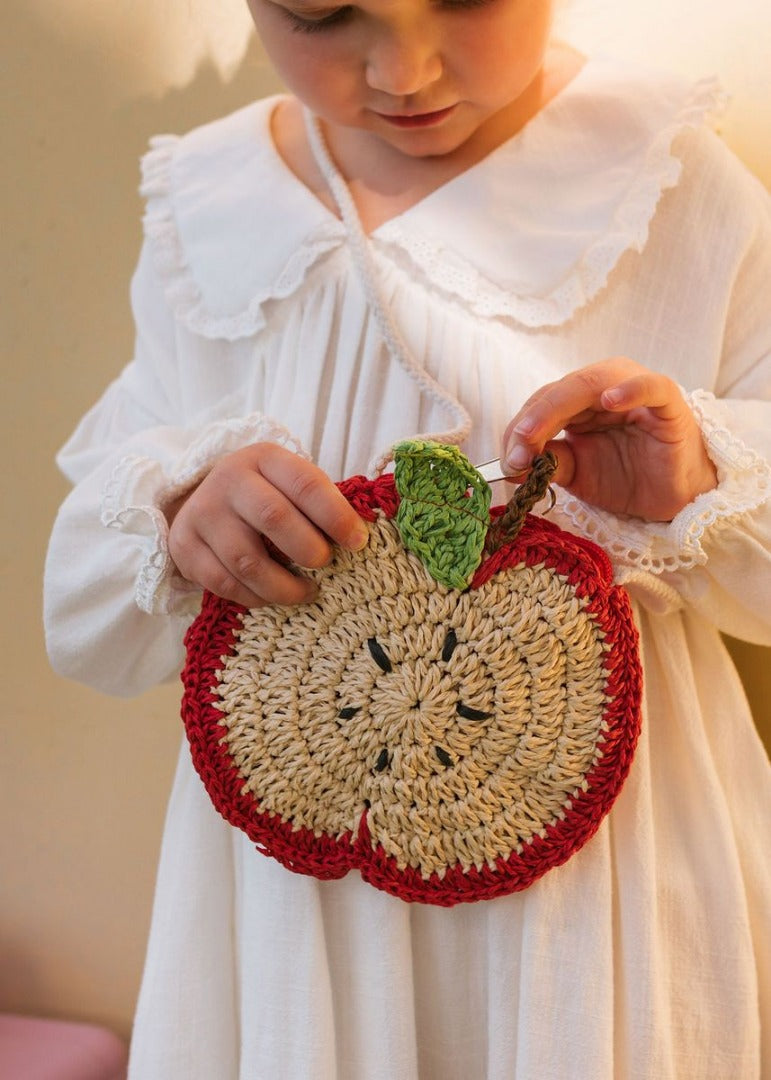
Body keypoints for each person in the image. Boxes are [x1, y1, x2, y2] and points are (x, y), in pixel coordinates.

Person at [44, 0, 771, 1075]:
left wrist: (697, 475)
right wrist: (185, 509)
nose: (403, 68)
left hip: (593, 877)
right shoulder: (215, 207)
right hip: (300, 862)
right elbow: (91, 597)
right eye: (324, 15)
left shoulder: (660, 174)